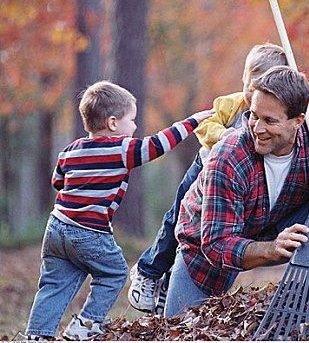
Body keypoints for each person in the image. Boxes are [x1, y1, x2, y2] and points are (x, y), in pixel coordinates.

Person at [128, 43, 309, 314]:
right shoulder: (230, 104)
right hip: (206, 169)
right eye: (251, 84)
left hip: (250, 190)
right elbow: (206, 124)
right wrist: (223, 137)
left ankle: (169, 282)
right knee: (179, 219)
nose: (255, 95)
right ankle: (149, 270)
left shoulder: (303, 112)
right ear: (243, 80)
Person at [164, 65, 309, 316]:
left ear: (298, 121)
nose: (257, 128)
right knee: (179, 326)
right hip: (208, 247)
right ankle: (165, 283)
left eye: (270, 121)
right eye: (253, 115)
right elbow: (217, 246)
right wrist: (272, 249)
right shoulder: (228, 156)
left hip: (283, 224)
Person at [24, 80, 214, 341]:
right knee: (114, 272)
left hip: (56, 228)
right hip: (89, 232)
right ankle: (86, 324)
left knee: (53, 285)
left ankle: (36, 336)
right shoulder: (121, 148)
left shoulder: (69, 151)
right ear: (113, 123)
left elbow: (58, 182)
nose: (135, 127)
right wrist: (192, 121)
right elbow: (158, 144)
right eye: (132, 120)